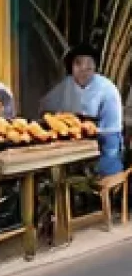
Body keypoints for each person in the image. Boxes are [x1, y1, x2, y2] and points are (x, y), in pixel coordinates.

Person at [41, 44, 125, 177]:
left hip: (106, 138)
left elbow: (111, 131)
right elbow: (47, 104)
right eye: (78, 63)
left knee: (106, 175)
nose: (83, 69)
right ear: (71, 67)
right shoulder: (67, 84)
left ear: (95, 67)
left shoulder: (107, 89)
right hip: (75, 142)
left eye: (88, 64)